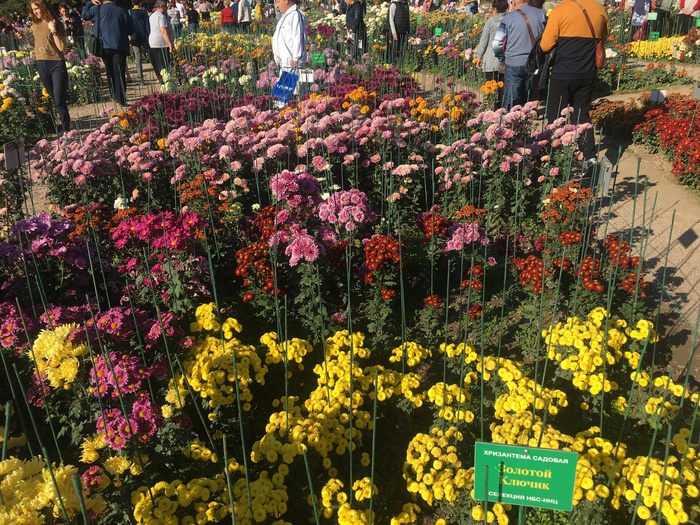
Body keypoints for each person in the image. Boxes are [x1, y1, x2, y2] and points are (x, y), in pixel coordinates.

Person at [540, 0, 608, 173]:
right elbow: (603, 39)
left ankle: (555, 160)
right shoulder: (599, 9)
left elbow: (546, 45)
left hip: (562, 73)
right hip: (587, 73)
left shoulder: (560, 10)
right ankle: (590, 158)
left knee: (556, 117)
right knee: (582, 115)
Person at [491, 0, 545, 110]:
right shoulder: (541, 14)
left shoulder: (509, 17)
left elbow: (496, 44)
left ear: (514, 2)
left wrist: (503, 59)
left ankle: (511, 119)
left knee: (512, 102)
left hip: (513, 62)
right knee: (528, 103)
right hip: (534, 64)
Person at [82, 0, 135, 108]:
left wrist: (90, 3)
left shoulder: (97, 9)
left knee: (109, 71)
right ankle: (121, 98)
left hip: (104, 45)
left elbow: (84, 15)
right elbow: (131, 30)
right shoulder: (122, 11)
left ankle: (113, 95)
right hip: (119, 45)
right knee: (119, 72)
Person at [29, 0, 71, 134]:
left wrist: (53, 30)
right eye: (33, 10)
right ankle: (64, 123)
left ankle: (66, 129)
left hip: (56, 63)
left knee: (59, 97)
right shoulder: (35, 25)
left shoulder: (56, 23)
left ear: (43, 7)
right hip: (41, 63)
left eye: (36, 8)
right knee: (54, 97)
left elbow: (62, 48)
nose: (35, 12)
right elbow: (38, 45)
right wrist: (24, 39)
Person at [475, 0, 508, 108]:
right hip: (505, 58)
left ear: (494, 8)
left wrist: (479, 56)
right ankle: (502, 108)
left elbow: (484, 40)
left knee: (490, 86)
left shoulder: (490, 21)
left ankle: (492, 108)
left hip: (491, 58)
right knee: (503, 85)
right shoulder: (510, 20)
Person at [272, 0, 306, 71]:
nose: (277, 6)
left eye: (278, 2)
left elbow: (297, 37)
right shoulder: (286, 16)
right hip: (284, 64)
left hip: (292, 65)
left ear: (286, 1)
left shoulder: (295, 15)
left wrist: (296, 58)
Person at [149, 0, 175, 84]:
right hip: (161, 43)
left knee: (156, 62)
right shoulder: (161, 17)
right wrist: (170, 44)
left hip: (153, 42)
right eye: (165, 7)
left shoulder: (152, 16)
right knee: (164, 63)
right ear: (161, 7)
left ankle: (159, 78)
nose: (166, 8)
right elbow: (163, 31)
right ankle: (165, 80)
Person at [128, 1, 149, 84]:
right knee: (151, 55)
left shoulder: (129, 12)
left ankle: (141, 78)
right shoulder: (144, 12)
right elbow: (147, 25)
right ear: (140, 3)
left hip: (134, 37)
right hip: (144, 36)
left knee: (138, 58)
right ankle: (159, 75)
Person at [387, 0, 410, 64]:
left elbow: (408, 19)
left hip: (404, 31)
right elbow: (391, 20)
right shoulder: (394, 4)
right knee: (394, 50)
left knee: (403, 50)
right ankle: (392, 65)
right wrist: (394, 33)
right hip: (396, 31)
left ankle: (402, 65)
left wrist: (409, 31)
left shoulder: (405, 4)